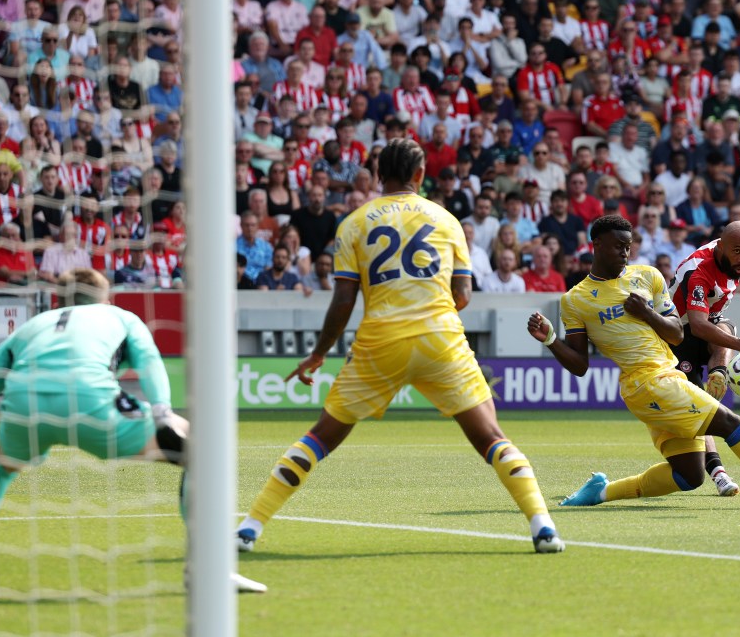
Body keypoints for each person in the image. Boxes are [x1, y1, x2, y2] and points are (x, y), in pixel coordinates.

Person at [235, 139, 564, 555]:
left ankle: (249, 527)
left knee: (320, 438)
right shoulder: (446, 220)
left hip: (381, 342)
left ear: (377, 176)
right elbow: (463, 292)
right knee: (492, 439)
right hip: (440, 339)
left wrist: (319, 353)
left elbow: (342, 301)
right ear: (421, 176)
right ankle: (543, 527)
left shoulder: (354, 222)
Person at [528, 216, 740, 510]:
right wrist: (550, 340)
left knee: (689, 475)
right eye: (617, 246)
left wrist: (647, 313)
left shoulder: (647, 276)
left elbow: (677, 334)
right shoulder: (576, 300)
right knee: (730, 424)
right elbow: (580, 364)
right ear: (595, 245)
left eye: (629, 246)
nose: (625, 252)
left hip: (666, 375)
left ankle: (601, 491)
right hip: (645, 382)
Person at [0, 269, 265, 593]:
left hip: (25, 405)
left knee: (1, 471)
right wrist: (163, 411)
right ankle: (207, 570)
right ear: (104, 298)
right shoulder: (120, 316)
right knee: (203, 451)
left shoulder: (32, 326)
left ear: (60, 300)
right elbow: (149, 360)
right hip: (91, 403)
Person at [662, 220, 740, 495]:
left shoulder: (732, 259)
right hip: (678, 340)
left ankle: (719, 373)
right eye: (737, 251)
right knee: (701, 409)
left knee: (723, 326)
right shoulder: (698, 272)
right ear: (721, 247)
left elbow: (710, 318)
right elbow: (697, 324)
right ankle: (718, 472)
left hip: (707, 325)